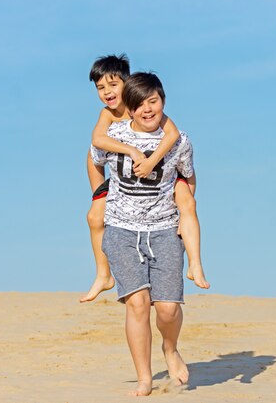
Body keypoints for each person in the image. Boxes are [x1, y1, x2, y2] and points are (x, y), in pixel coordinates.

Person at [91, 72, 193, 396]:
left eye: (154, 101)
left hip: (163, 229)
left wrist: (187, 209)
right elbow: (94, 155)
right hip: (122, 230)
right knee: (137, 303)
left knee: (167, 309)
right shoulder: (112, 128)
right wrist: (99, 195)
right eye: (142, 104)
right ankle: (144, 377)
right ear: (131, 108)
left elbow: (189, 175)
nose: (148, 109)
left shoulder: (175, 137)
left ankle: (170, 347)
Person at [80, 54, 208, 303]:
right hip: (123, 179)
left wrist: (151, 161)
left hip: (165, 174)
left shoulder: (141, 107)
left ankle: (195, 264)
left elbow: (172, 135)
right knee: (95, 216)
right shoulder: (107, 114)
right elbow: (96, 142)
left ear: (128, 83)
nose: (107, 92)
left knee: (188, 205)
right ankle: (103, 274)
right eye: (100, 87)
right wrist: (130, 153)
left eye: (113, 84)